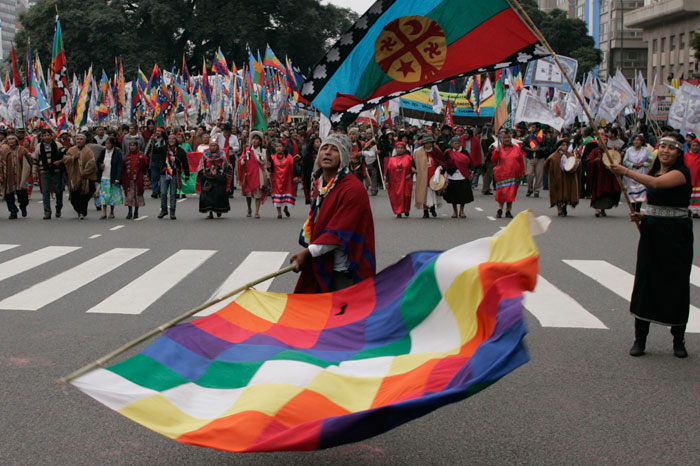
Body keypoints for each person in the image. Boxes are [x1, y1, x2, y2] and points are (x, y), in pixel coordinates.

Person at [610, 133, 692, 358]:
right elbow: (656, 200)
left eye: (671, 148)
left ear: (678, 152)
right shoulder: (655, 171)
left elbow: (657, 184)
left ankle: (678, 339)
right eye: (662, 146)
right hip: (652, 233)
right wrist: (643, 217)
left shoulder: (681, 173)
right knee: (646, 282)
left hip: (676, 236)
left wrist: (625, 171)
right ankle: (640, 339)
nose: (665, 150)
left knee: (675, 284)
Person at [290, 133, 375, 293]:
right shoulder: (320, 182)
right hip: (322, 261)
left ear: (343, 157)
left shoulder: (353, 189)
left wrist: (308, 252)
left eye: (334, 149)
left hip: (344, 269)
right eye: (324, 148)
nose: (327, 152)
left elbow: (339, 232)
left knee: (343, 316)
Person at [586, 130, 621, 217]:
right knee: (597, 192)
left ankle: (603, 208)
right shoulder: (594, 151)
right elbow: (588, 162)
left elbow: (617, 161)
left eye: (605, 140)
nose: (603, 142)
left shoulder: (610, 151)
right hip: (597, 176)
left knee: (606, 192)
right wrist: (595, 161)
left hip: (607, 175)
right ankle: (597, 209)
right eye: (601, 140)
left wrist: (613, 161)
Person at [32, 129, 65, 219]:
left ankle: (58, 208)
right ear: (42, 137)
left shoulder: (58, 145)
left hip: (56, 171)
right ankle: (47, 212)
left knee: (58, 191)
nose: (46, 137)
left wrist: (60, 161)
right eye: (44, 135)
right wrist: (34, 172)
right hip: (44, 172)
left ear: (52, 136)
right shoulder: (38, 147)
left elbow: (65, 157)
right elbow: (35, 160)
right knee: (45, 192)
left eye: (48, 135)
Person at [492, 129, 525, 219]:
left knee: (511, 193)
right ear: (502, 139)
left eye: (508, 137)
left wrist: (522, 171)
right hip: (502, 174)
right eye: (505, 138)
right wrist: (496, 151)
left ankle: (508, 210)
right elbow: (494, 160)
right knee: (502, 192)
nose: (507, 139)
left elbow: (521, 161)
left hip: (514, 174)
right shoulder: (498, 148)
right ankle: (500, 209)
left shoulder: (516, 148)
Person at [63, 134, 97, 219]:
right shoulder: (71, 150)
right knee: (74, 198)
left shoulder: (88, 151)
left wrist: (84, 173)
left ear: (84, 141)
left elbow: (92, 163)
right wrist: (74, 157)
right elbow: (66, 159)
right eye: (77, 139)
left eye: (81, 139)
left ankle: (82, 212)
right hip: (74, 178)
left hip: (86, 178)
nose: (79, 141)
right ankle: (79, 210)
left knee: (85, 196)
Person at [544, 138, 580, 217]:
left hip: (567, 177)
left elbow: (575, 165)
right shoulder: (553, 157)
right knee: (558, 191)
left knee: (566, 191)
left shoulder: (570, 155)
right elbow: (546, 166)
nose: (565, 147)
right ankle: (559, 209)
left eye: (566, 145)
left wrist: (576, 163)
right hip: (558, 177)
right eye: (563, 145)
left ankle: (564, 207)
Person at [158, 133, 190, 220]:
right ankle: (163, 210)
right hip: (165, 173)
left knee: (173, 194)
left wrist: (187, 174)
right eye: (169, 139)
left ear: (176, 140)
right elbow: (154, 150)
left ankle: (172, 211)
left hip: (175, 174)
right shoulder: (164, 148)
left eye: (173, 139)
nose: (171, 140)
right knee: (163, 192)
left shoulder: (180, 151)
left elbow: (185, 163)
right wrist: (153, 140)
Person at [197, 140, 232, 219]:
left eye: (214, 145)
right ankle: (210, 212)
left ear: (217, 146)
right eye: (211, 145)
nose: (213, 147)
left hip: (218, 177)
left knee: (219, 195)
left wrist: (224, 160)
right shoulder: (205, 154)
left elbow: (226, 165)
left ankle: (219, 209)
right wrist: (203, 171)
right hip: (208, 176)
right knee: (208, 196)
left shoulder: (221, 153)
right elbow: (202, 164)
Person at [237, 131, 268, 218]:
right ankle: (249, 208)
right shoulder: (247, 150)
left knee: (258, 194)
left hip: (258, 174)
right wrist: (244, 158)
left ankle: (257, 211)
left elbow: (265, 163)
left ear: (260, 141)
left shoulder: (263, 151)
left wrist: (260, 157)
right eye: (253, 139)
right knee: (248, 194)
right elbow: (241, 163)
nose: (254, 141)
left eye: (257, 139)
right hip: (248, 174)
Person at [0, 134, 32, 219]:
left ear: (16, 140)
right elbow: (1, 164)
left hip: (20, 176)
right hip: (8, 177)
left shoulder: (22, 150)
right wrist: (1, 175)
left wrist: (29, 172)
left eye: (12, 139)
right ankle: (13, 211)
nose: (11, 141)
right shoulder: (4, 151)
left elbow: (28, 162)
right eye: (9, 139)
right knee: (9, 195)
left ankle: (23, 207)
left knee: (23, 197)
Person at [414, 135, 445, 218]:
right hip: (422, 176)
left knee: (433, 193)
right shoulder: (418, 152)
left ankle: (432, 208)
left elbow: (442, 161)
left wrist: (440, 169)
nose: (428, 145)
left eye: (430, 143)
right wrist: (414, 170)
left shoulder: (436, 151)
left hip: (433, 176)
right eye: (426, 143)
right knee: (423, 194)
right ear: (424, 144)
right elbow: (413, 163)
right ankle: (425, 211)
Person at [443, 136, 474, 218]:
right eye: (455, 143)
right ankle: (454, 211)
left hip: (463, 175)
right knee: (453, 194)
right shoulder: (448, 152)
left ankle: (462, 210)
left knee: (463, 194)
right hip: (452, 175)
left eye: (458, 143)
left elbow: (470, 162)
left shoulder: (464, 152)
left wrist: (472, 171)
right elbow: (445, 163)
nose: (457, 145)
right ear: (452, 144)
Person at [622, 134, 654, 212]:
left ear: (642, 141)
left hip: (642, 172)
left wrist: (642, 164)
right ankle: (632, 208)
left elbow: (650, 160)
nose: (636, 142)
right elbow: (625, 161)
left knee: (641, 190)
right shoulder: (629, 150)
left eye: (638, 140)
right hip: (631, 172)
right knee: (632, 190)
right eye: (635, 140)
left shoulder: (646, 150)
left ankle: (638, 208)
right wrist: (633, 164)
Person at [95, 137, 124, 219]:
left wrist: (118, 178)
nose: (107, 145)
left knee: (112, 196)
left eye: (109, 144)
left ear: (112, 144)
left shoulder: (117, 153)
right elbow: (98, 161)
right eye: (106, 144)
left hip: (113, 177)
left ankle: (112, 212)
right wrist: (101, 165)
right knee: (104, 196)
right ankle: (104, 213)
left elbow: (119, 166)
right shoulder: (103, 152)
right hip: (104, 176)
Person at [384, 141, 414, 218]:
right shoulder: (391, 159)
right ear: (395, 149)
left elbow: (414, 168)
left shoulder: (409, 158)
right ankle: (398, 211)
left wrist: (410, 174)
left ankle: (406, 209)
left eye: (401, 148)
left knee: (406, 196)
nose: (399, 149)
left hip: (406, 180)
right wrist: (387, 181)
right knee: (396, 196)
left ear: (404, 149)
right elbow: (388, 171)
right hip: (395, 181)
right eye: (398, 148)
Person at [269, 140, 298, 219]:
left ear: (284, 148)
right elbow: (271, 169)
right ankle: (279, 212)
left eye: (280, 146)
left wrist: (295, 176)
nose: (278, 148)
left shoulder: (289, 157)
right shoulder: (272, 157)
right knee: (278, 194)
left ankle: (286, 208)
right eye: (277, 146)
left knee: (286, 194)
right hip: (277, 179)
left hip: (287, 179)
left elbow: (293, 167)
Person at [122, 141, 149, 219]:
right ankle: (130, 211)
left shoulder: (141, 156)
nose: (132, 147)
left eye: (133, 145)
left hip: (138, 179)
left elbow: (145, 165)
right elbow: (124, 167)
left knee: (137, 195)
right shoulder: (127, 156)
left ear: (137, 146)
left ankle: (136, 211)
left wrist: (143, 159)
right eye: (130, 146)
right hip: (129, 179)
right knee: (129, 196)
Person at [523, 123, 546, 198]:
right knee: (529, 174)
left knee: (539, 175)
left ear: (538, 128)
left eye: (533, 127)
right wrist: (530, 149)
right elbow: (523, 146)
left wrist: (540, 149)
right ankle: (530, 189)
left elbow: (547, 147)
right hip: (530, 157)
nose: (532, 129)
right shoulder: (528, 137)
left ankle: (536, 190)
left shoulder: (543, 137)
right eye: (531, 127)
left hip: (540, 158)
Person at [145, 128, 166, 198]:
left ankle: (160, 190)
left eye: (159, 131)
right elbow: (147, 149)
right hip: (154, 161)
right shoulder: (152, 140)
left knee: (162, 177)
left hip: (163, 161)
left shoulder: (165, 140)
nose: (157, 133)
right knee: (154, 177)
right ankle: (154, 191)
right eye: (156, 131)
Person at [684, 137, 700, 218]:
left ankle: (695, 211)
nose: (695, 147)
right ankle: (688, 209)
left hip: (698, 179)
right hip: (689, 178)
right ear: (690, 147)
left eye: (697, 146)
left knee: (696, 196)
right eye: (693, 145)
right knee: (688, 195)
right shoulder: (686, 155)